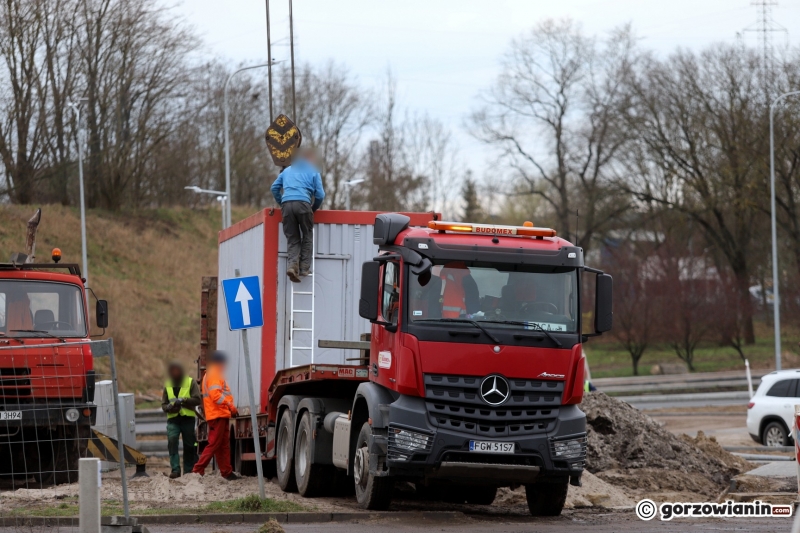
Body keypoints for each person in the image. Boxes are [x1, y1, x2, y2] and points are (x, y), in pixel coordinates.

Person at [270, 147, 325, 283]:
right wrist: (314, 209)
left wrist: (281, 202)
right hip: (304, 204)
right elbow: (320, 195)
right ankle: (304, 268)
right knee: (307, 235)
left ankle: (292, 267)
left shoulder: (287, 170)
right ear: (310, 159)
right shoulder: (313, 170)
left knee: (293, 238)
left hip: (287, 205)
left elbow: (274, 188)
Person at [192, 351, 240, 480]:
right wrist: (230, 405)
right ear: (220, 362)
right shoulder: (214, 374)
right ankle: (197, 470)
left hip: (220, 415)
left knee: (222, 445)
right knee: (214, 444)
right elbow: (216, 396)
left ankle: (226, 472)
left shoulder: (213, 373)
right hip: (217, 415)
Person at [161, 361, 201, 478]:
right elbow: (163, 404)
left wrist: (184, 400)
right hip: (173, 420)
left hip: (187, 419)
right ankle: (175, 470)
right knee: (172, 441)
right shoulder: (167, 384)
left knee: (189, 445)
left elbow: (197, 400)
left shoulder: (190, 382)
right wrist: (168, 407)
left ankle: (188, 471)